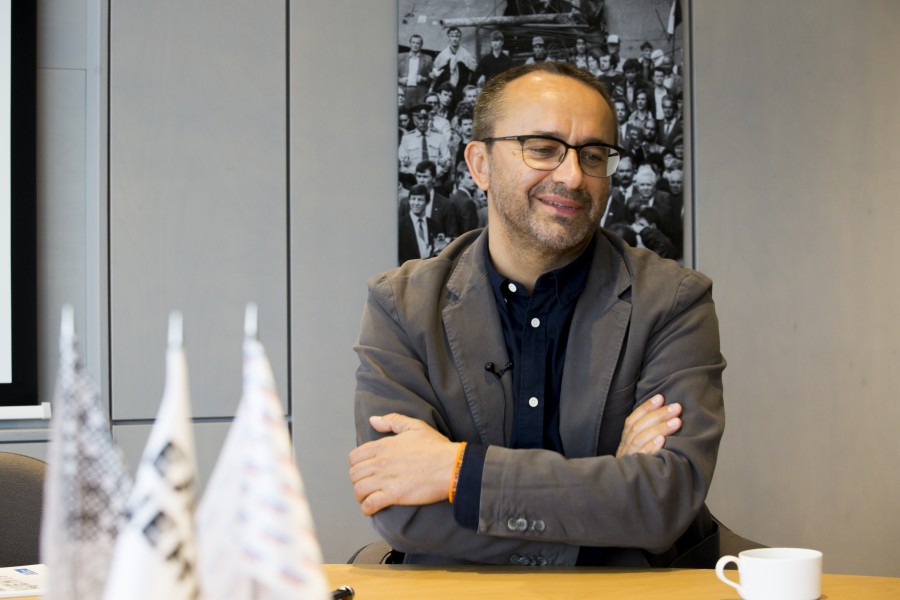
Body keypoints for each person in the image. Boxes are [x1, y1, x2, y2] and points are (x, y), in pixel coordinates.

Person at [351, 61, 724, 567]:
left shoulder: (674, 301)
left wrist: (458, 471)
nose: (573, 176)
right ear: (480, 164)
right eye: (543, 149)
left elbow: (664, 501)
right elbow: (402, 511)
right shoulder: (400, 305)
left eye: (594, 155)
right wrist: (609, 500)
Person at [398, 104, 451, 186]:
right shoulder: (407, 138)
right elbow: (402, 164)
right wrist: (418, 174)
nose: (423, 121)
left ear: (429, 119)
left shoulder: (439, 137)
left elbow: (447, 160)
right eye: (419, 118)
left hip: (435, 182)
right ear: (414, 119)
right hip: (413, 182)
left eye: (425, 118)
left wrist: (432, 175)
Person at [431, 27, 478, 112]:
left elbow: (474, 71)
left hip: (460, 89)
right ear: (449, 38)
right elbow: (436, 73)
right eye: (452, 36)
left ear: (460, 38)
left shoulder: (466, 55)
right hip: (446, 90)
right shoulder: (443, 55)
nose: (454, 39)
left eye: (457, 36)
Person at [398, 184, 442, 264]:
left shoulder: (435, 226)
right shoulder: (400, 225)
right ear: (409, 200)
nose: (416, 203)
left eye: (420, 200)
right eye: (413, 199)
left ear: (427, 202)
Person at [399, 34, 434, 108]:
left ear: (421, 45)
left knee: (418, 111)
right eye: (413, 42)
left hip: (420, 92)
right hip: (403, 90)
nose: (415, 45)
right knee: (402, 111)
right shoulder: (400, 57)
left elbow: (432, 78)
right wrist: (400, 80)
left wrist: (423, 79)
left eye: (418, 43)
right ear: (410, 44)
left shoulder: (428, 59)